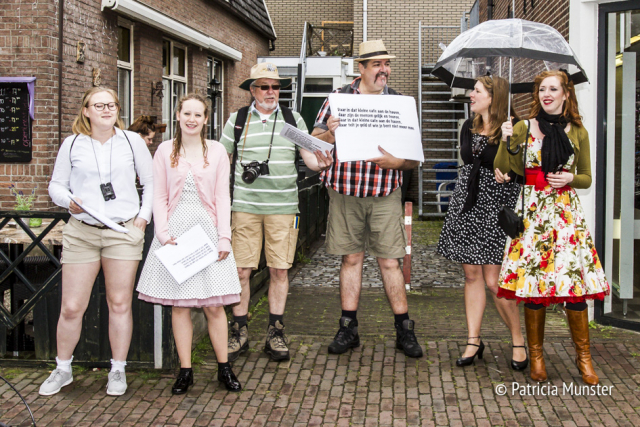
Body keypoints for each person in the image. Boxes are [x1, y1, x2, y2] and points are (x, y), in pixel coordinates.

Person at [495, 70, 610, 385]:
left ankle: (583, 358)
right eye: (542, 89)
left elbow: (586, 176)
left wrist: (571, 178)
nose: (546, 94)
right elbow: (504, 170)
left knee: (573, 288)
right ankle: (537, 358)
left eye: (553, 89)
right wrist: (506, 140)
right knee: (534, 287)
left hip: (565, 215)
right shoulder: (522, 127)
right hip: (532, 213)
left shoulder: (578, 132)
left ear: (565, 94)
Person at [311, 40, 423, 358]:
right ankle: (348, 328)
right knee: (351, 259)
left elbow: (414, 157)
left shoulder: (399, 102)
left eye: (386, 64)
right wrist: (330, 133)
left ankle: (404, 330)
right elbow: (314, 142)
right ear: (360, 68)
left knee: (390, 261)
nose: (384, 70)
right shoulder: (338, 99)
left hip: (385, 192)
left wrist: (397, 163)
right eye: (377, 64)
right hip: (345, 192)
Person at [44, 87, 153, 396]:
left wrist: (142, 219)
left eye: (112, 104)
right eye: (99, 105)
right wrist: (68, 200)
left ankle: (117, 370)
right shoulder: (72, 144)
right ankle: (63, 368)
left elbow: (150, 182)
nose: (107, 109)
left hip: (122, 232)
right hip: (82, 231)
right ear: (86, 111)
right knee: (71, 306)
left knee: (119, 303)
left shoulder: (131, 142)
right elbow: (55, 185)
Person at [221, 62, 332, 362]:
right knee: (241, 271)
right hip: (244, 207)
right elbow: (221, 159)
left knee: (279, 270)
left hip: (283, 208)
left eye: (276, 86)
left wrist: (322, 163)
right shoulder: (238, 119)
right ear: (253, 90)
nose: (272, 92)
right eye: (265, 86)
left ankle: (276, 331)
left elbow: (309, 158)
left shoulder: (291, 118)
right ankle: (239, 332)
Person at [136, 93, 243, 393]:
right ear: (178, 115)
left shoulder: (218, 151)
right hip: (175, 234)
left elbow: (223, 195)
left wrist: (224, 235)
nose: (192, 119)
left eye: (198, 114)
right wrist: (162, 233)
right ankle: (185, 370)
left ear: (206, 119)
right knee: (180, 307)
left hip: (208, 232)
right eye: (187, 114)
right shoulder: (164, 150)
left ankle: (224, 367)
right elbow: (158, 195)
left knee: (214, 305)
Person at [437, 76, 528, 369]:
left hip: (497, 205)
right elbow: (468, 162)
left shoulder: (515, 127)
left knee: (494, 281)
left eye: (476, 91)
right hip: (468, 201)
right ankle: (473, 340)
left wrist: (508, 142)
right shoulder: (468, 126)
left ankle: (518, 340)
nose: (470, 95)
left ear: (493, 97)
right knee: (472, 275)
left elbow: (519, 168)